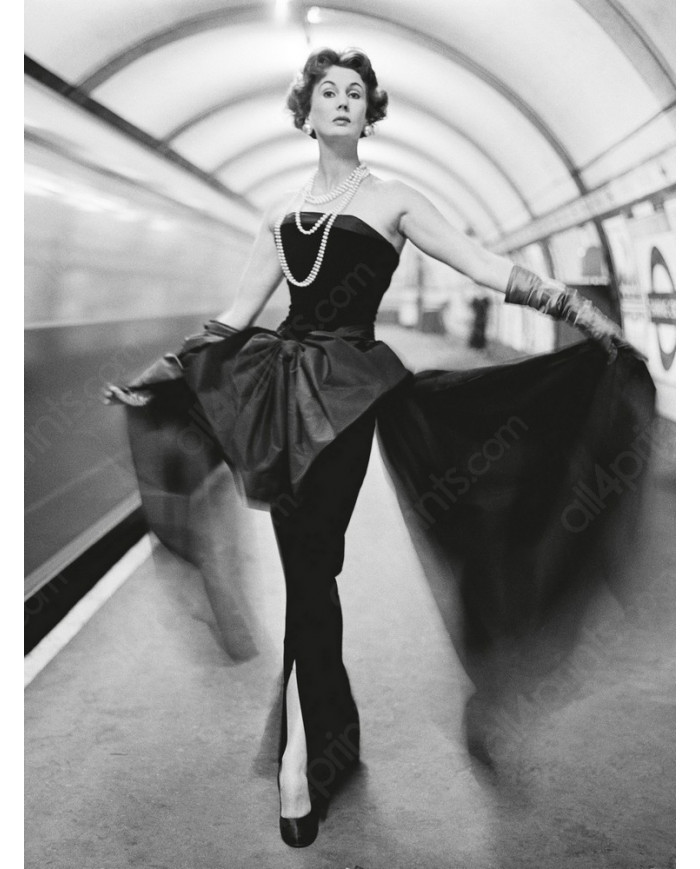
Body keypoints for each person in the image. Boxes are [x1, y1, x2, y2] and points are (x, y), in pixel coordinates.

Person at [103, 47, 653, 849]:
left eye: (355, 92)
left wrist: (575, 305)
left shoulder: (396, 199)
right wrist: (160, 374)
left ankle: (302, 758)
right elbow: (233, 318)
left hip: (353, 396)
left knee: (313, 560)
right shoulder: (277, 214)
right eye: (327, 90)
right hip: (278, 394)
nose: (341, 100)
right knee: (309, 571)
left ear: (369, 112)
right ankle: (322, 741)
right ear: (306, 110)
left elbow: (482, 262)